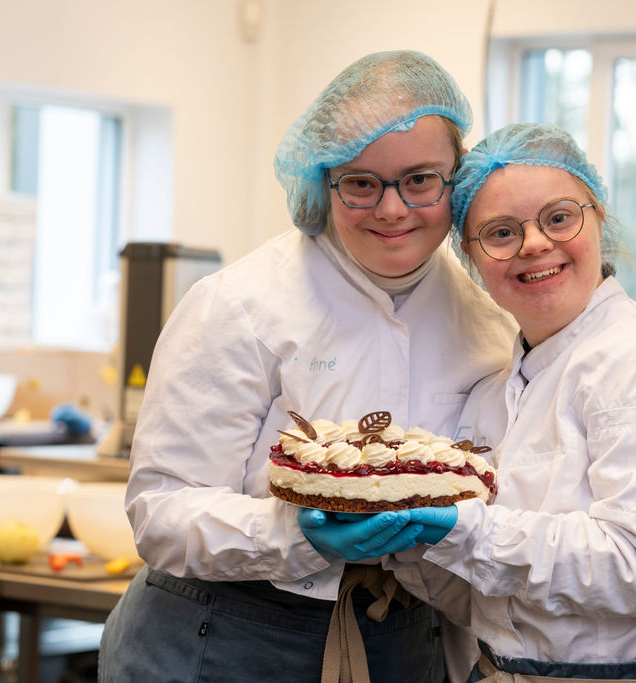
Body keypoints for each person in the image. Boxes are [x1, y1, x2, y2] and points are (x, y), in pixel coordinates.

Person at [97, 50, 516, 683]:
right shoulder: (241, 305)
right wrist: (296, 535)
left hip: (402, 631)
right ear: (323, 181)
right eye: (361, 182)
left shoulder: (488, 317)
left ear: (459, 177)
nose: (392, 209)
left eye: (420, 179)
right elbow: (161, 512)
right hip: (225, 633)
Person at [314, 122, 636, 681]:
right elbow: (486, 597)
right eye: (499, 233)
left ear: (599, 219)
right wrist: (402, 542)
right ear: (471, 259)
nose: (535, 244)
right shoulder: (498, 392)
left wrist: (461, 529)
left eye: (559, 218)